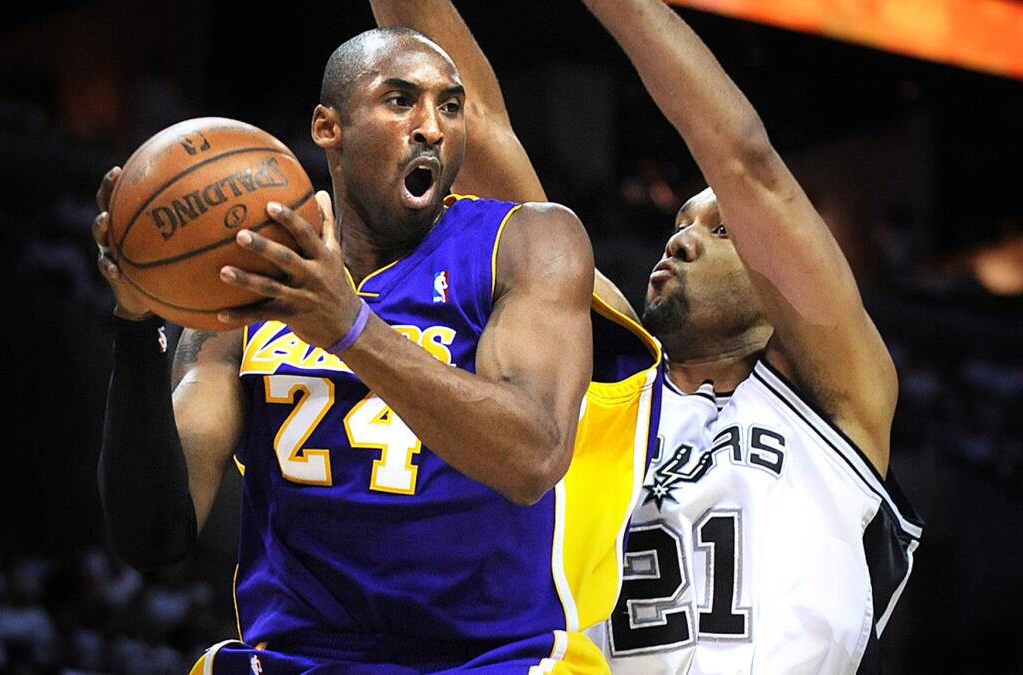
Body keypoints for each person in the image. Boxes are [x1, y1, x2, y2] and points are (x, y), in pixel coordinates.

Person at [370, 0, 924, 672]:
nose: (685, 239)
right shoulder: (605, 379)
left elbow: (746, 162)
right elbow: (477, 132)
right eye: (681, 224)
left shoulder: (839, 397)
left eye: (723, 230)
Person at [93, 25, 660, 674]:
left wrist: (349, 329)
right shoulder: (251, 281)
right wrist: (136, 324)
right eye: (400, 101)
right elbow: (155, 535)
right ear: (328, 126)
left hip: (487, 658)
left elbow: (533, 456)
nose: (433, 127)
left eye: (449, 106)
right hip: (299, 656)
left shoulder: (526, 243)